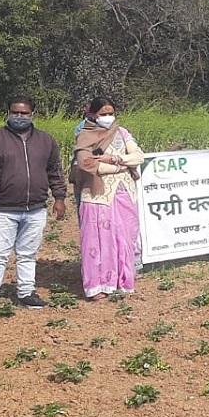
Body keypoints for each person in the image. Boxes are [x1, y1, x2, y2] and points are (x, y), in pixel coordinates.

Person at [0, 96, 67, 310]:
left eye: (24, 113)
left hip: (35, 209)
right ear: (8, 112)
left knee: (27, 254)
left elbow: (55, 172)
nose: (19, 116)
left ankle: (26, 292)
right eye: (15, 112)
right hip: (2, 210)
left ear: (32, 114)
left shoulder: (46, 141)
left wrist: (59, 198)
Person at [71, 98, 145, 301]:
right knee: (97, 240)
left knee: (125, 237)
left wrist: (115, 159)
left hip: (124, 192)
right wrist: (122, 167)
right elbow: (88, 164)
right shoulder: (85, 135)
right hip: (97, 195)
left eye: (110, 113)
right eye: (103, 114)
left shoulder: (122, 132)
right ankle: (97, 287)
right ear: (93, 115)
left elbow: (138, 157)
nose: (107, 117)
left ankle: (122, 281)